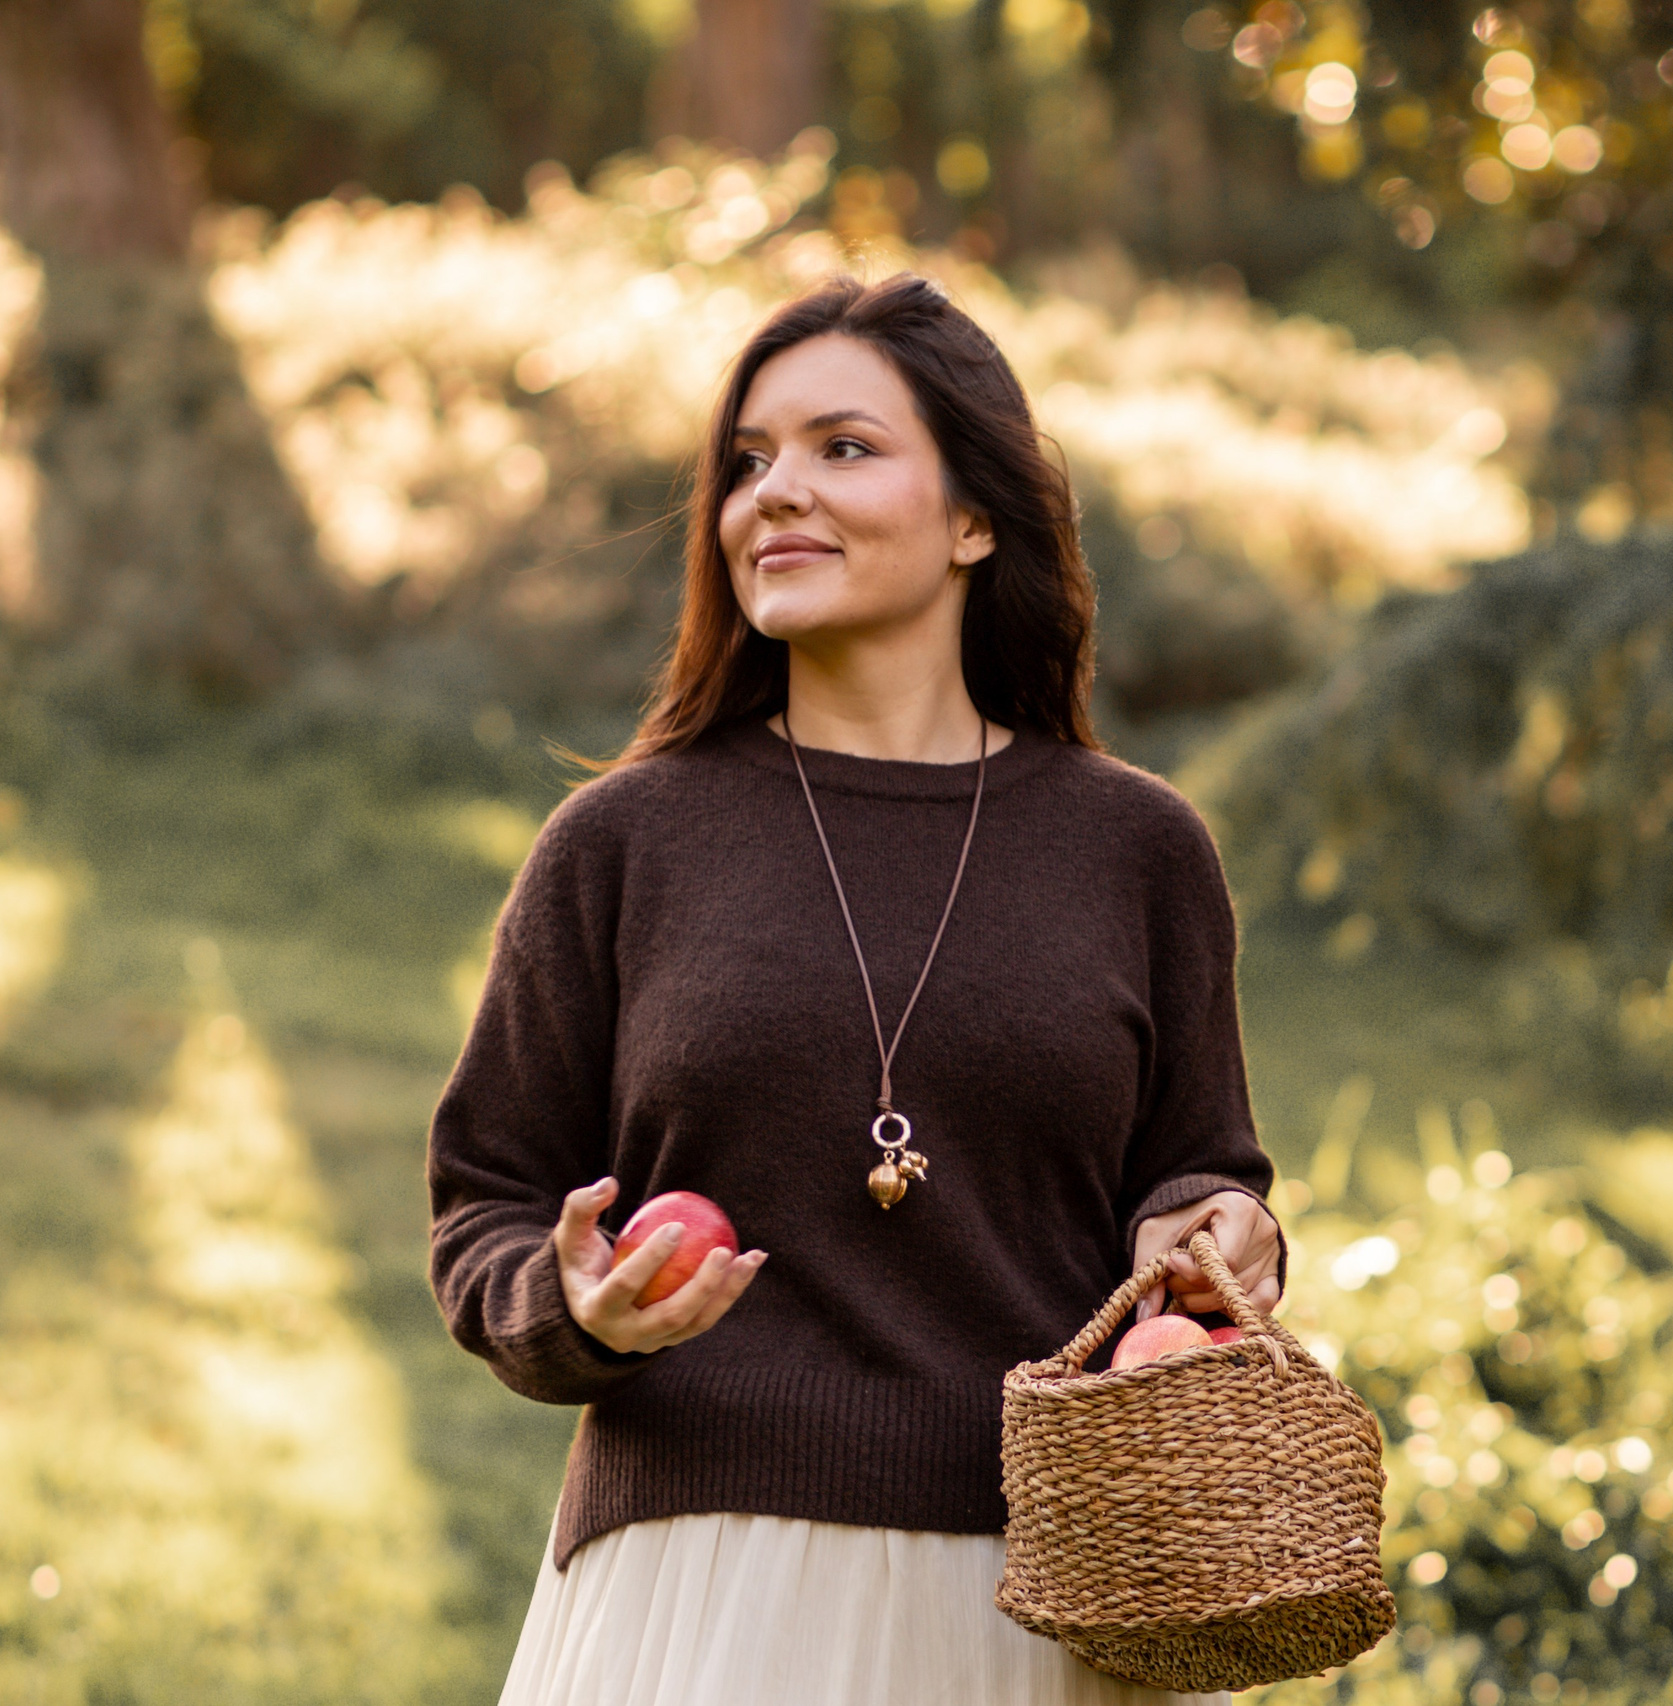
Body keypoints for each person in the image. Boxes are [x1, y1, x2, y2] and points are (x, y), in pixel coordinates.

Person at [429, 272, 1284, 1706]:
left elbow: (1197, 1167)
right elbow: (486, 1207)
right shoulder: (626, 840)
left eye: (843, 447)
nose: (777, 493)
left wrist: (1218, 1236)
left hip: (1037, 1596)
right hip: (701, 1593)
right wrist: (575, 1306)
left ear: (975, 516)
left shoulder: (1137, 847)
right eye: (749, 461)